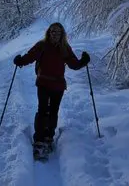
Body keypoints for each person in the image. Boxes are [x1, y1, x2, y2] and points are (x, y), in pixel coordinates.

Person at [13, 22, 90, 150]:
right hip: (43, 82)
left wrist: (83, 61)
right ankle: (39, 139)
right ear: (49, 32)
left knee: (53, 111)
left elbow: (73, 64)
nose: (55, 34)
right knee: (43, 110)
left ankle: (49, 136)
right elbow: (30, 57)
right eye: (53, 31)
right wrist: (20, 61)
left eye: (58, 32)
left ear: (62, 34)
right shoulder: (42, 45)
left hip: (58, 85)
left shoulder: (65, 47)